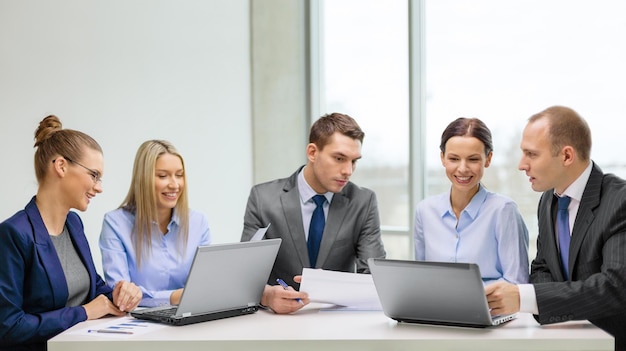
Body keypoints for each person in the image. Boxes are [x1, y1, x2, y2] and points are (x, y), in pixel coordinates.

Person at [485, 106, 626, 350]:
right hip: (563, 341)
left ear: (567, 156)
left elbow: (614, 288)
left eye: (531, 154)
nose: (521, 164)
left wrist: (524, 297)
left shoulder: (619, 201)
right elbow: (542, 266)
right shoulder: (549, 200)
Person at [0, 115, 142, 351]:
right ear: (61, 166)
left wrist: (120, 294)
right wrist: (83, 312)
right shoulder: (14, 234)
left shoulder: (73, 224)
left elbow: (91, 287)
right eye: (94, 175)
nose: (99, 187)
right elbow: (8, 326)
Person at [241, 112, 386, 314]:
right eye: (339, 158)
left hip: (337, 322)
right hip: (276, 322)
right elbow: (245, 274)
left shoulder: (363, 202)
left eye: (354, 161)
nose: (348, 170)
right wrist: (267, 296)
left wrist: (330, 283)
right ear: (312, 152)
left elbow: (374, 278)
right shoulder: (263, 198)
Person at [414, 118, 529, 284]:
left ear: (488, 159)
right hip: (435, 308)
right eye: (454, 159)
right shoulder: (425, 211)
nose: (462, 168)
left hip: (489, 309)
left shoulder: (504, 210)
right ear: (443, 158)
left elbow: (516, 282)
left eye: (473, 159)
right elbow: (420, 278)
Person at [99, 140, 211, 307]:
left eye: (179, 175)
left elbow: (205, 286)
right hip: (138, 324)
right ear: (143, 179)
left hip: (190, 316)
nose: (174, 184)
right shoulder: (115, 224)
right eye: (163, 176)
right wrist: (173, 297)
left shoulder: (198, 222)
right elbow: (121, 296)